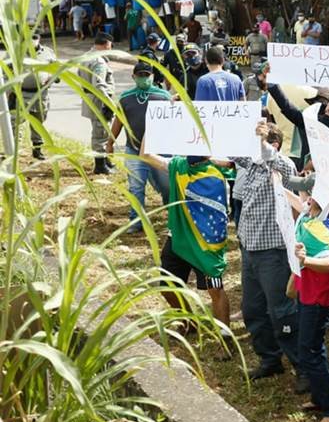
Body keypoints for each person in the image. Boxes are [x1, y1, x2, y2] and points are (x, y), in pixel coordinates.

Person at [231, 122, 302, 387]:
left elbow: (280, 164)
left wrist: (260, 141)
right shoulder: (251, 165)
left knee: (282, 312)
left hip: (273, 254)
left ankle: (303, 368)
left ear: (272, 145)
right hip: (250, 250)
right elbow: (227, 148)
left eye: (258, 143)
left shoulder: (282, 167)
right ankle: (270, 360)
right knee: (252, 309)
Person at [138, 137, 232, 334]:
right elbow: (145, 155)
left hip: (205, 243)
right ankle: (189, 323)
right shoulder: (178, 165)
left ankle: (225, 338)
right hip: (178, 237)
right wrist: (152, 122)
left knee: (215, 289)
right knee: (167, 286)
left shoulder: (219, 172)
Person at [292, 195, 329, 422]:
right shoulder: (308, 215)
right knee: (311, 347)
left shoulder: (326, 225)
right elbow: (295, 201)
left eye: (307, 189)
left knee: (309, 351)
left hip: (319, 298)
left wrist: (305, 260)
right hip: (307, 292)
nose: (303, 195)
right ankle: (319, 397)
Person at [107, 63, 173, 231]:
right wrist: (110, 143)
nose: (144, 78)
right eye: (140, 75)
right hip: (134, 149)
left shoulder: (164, 96)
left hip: (159, 150)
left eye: (147, 75)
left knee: (167, 185)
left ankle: (172, 213)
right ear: (134, 77)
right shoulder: (126, 98)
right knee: (136, 186)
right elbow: (118, 122)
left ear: (152, 76)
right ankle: (136, 221)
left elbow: (174, 122)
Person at [15, 33, 56, 160]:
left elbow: (56, 69)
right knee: (17, 123)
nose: (32, 41)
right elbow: (7, 73)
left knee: (39, 122)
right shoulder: (17, 52)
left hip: (40, 94)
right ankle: (14, 151)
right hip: (22, 94)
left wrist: (51, 78)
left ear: (39, 39)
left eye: (34, 38)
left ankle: (37, 150)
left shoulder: (48, 53)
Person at [81, 33, 117, 175]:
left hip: (90, 98)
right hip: (99, 101)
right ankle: (100, 165)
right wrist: (108, 104)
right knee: (100, 133)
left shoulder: (86, 56)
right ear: (106, 44)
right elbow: (99, 86)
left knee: (102, 131)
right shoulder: (99, 62)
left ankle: (105, 160)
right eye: (110, 45)